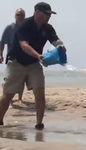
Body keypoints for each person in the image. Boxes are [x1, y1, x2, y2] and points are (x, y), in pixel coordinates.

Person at [0, 2, 66, 130]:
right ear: (37, 13)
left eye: (50, 14)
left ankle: (39, 124)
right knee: (8, 94)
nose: (49, 17)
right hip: (16, 63)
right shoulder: (24, 25)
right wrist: (37, 55)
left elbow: (55, 41)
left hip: (34, 64)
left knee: (40, 93)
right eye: (47, 14)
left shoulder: (48, 28)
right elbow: (24, 45)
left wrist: (61, 46)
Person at [0, 8, 25, 104]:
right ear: (15, 16)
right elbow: (2, 42)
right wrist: (0, 54)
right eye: (18, 15)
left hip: (24, 57)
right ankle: (8, 98)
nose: (20, 17)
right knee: (10, 78)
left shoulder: (26, 28)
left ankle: (20, 98)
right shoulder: (9, 28)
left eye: (22, 15)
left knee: (22, 79)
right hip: (12, 56)